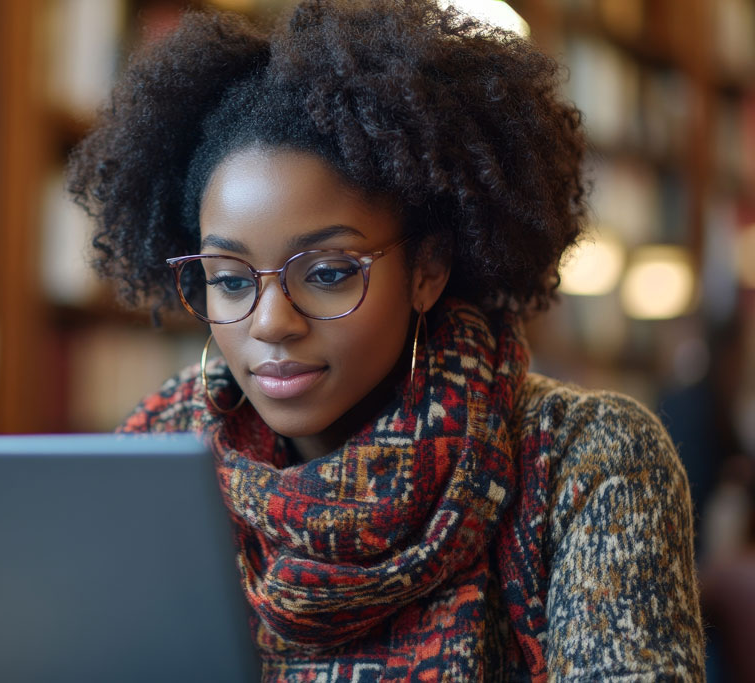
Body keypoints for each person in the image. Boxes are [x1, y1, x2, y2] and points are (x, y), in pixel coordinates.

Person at [65, 1, 705, 679]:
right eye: (228, 280)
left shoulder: (583, 463)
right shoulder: (156, 460)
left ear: (427, 268)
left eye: (330, 273)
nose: (269, 322)